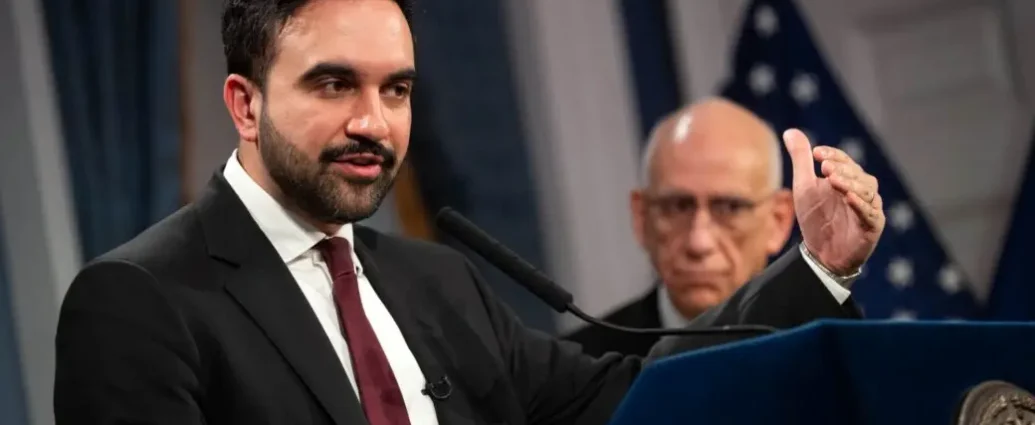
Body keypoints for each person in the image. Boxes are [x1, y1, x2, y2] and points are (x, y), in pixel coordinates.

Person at [52, 1, 886, 424]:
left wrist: (816, 268)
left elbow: (636, 398)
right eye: (334, 84)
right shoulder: (138, 299)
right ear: (245, 104)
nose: (373, 122)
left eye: (396, 90)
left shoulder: (437, 281)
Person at [566, 98, 804, 357]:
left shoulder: (829, 354)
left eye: (730, 208)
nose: (698, 243)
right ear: (641, 217)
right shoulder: (578, 369)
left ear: (778, 220)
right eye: (678, 207)